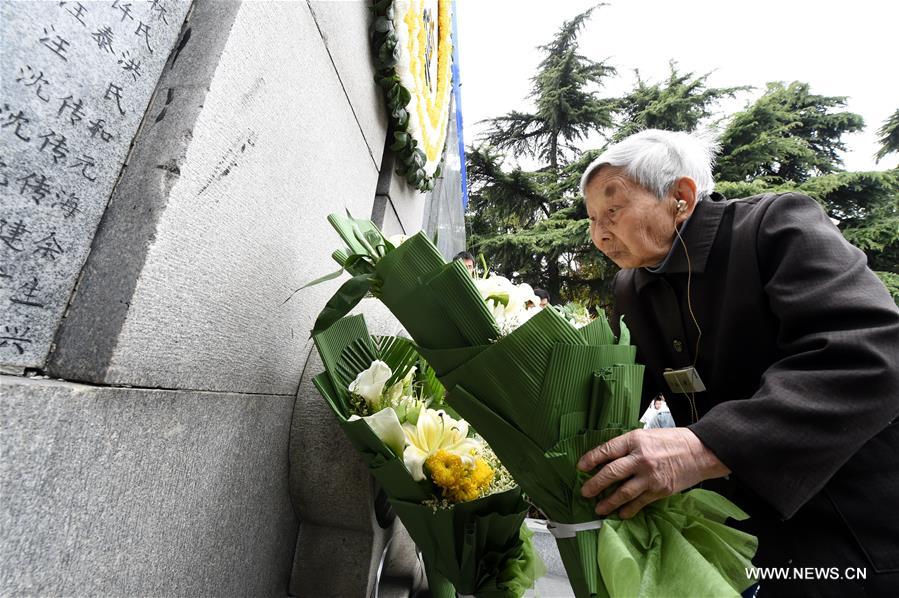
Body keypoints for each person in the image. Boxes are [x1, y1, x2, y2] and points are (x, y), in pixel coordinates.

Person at [576, 129, 899, 596]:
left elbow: (873, 352)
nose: (598, 233)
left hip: (850, 526)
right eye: (591, 218)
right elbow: (618, 387)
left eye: (613, 210)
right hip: (743, 535)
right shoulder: (632, 287)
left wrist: (704, 447)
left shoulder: (774, 225)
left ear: (681, 198)